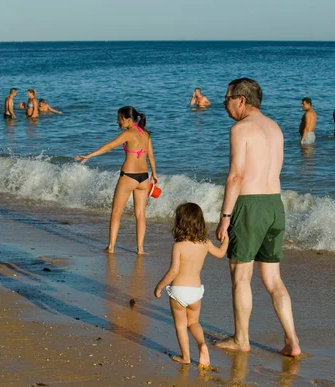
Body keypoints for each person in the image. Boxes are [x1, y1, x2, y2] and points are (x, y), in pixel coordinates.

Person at [215, 78, 301, 357]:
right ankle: (292, 341)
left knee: (241, 275)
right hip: (275, 204)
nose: (224, 104)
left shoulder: (241, 128)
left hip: (249, 205)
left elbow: (237, 176)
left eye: (226, 98)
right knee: (273, 279)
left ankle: (242, 339)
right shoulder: (275, 128)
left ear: (241, 99)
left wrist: (225, 217)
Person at [154, 203, 229, 368]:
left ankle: (186, 357)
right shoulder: (205, 243)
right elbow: (221, 253)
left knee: (181, 325)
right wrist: (226, 240)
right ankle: (202, 344)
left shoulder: (178, 246)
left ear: (180, 223)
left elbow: (173, 271)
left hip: (178, 291)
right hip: (195, 291)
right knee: (194, 323)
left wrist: (159, 286)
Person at [74, 106, 158, 254]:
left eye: (120, 118)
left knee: (116, 213)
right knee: (140, 214)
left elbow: (109, 146)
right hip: (144, 178)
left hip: (129, 176)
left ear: (128, 119)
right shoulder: (146, 134)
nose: (118, 121)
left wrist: (89, 155)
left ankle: (111, 247)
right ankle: (140, 249)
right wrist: (154, 174)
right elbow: (151, 155)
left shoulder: (128, 133)